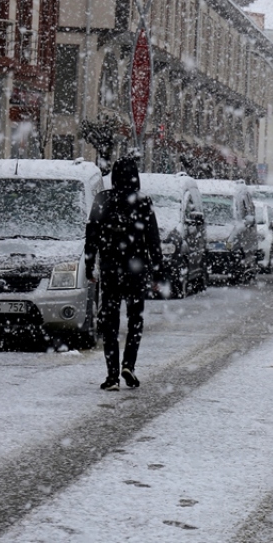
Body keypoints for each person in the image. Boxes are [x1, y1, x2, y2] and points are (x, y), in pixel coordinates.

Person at [84, 157, 162, 391]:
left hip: (110, 270)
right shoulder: (143, 202)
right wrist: (158, 274)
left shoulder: (103, 200)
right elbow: (153, 240)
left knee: (110, 321)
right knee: (135, 320)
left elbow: (92, 236)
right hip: (136, 270)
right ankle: (129, 364)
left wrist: (90, 266)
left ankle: (112, 375)